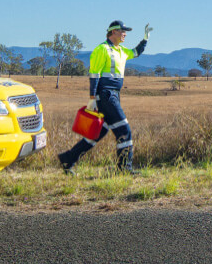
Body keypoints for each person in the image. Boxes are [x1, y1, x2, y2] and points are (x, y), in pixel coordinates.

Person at [57, 20, 153, 176]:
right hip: (106, 95)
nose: (125, 34)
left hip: (115, 95)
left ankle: (68, 158)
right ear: (113, 32)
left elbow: (136, 52)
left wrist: (145, 39)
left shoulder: (121, 50)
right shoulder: (101, 49)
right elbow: (94, 74)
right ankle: (124, 169)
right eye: (123, 31)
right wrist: (92, 98)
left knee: (96, 134)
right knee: (125, 130)